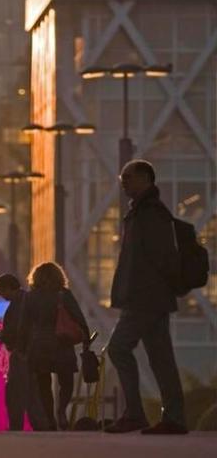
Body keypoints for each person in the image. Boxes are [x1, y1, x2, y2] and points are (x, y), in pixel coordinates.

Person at [105, 160, 187, 435]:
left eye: (128, 177)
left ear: (145, 179)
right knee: (161, 358)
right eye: (121, 177)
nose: (123, 181)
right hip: (150, 297)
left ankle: (135, 413)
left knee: (118, 348)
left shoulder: (150, 213)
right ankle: (174, 418)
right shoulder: (142, 212)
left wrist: (144, 291)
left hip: (145, 297)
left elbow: (160, 257)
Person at [17, 262, 88, 431]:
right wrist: (86, 341)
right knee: (66, 381)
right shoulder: (64, 295)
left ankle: (50, 419)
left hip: (39, 345)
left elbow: (24, 325)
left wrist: (21, 348)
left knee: (44, 384)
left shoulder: (30, 297)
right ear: (59, 276)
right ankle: (62, 409)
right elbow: (79, 319)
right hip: (62, 343)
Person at [0, 273, 45, 431]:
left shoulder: (20, 303)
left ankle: (18, 426)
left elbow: (17, 330)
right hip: (26, 353)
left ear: (9, 288)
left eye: (0, 290)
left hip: (22, 354)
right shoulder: (23, 300)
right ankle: (39, 426)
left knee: (16, 393)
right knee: (29, 393)